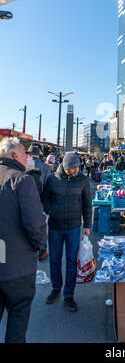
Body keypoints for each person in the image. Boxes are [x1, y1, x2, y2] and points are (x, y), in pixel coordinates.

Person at [0, 137, 47, 343]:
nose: (28, 158)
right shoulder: (21, 180)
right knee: (17, 323)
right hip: (17, 267)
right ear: (13, 156)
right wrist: (41, 246)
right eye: (24, 153)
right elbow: (35, 224)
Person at [41, 152, 92, 312]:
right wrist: (51, 210)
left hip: (74, 226)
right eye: (72, 167)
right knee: (55, 259)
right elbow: (45, 199)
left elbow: (87, 203)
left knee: (71, 261)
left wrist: (87, 225)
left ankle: (69, 294)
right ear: (65, 166)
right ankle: (56, 288)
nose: (76, 170)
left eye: (77, 166)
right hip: (55, 226)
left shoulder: (83, 180)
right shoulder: (52, 179)